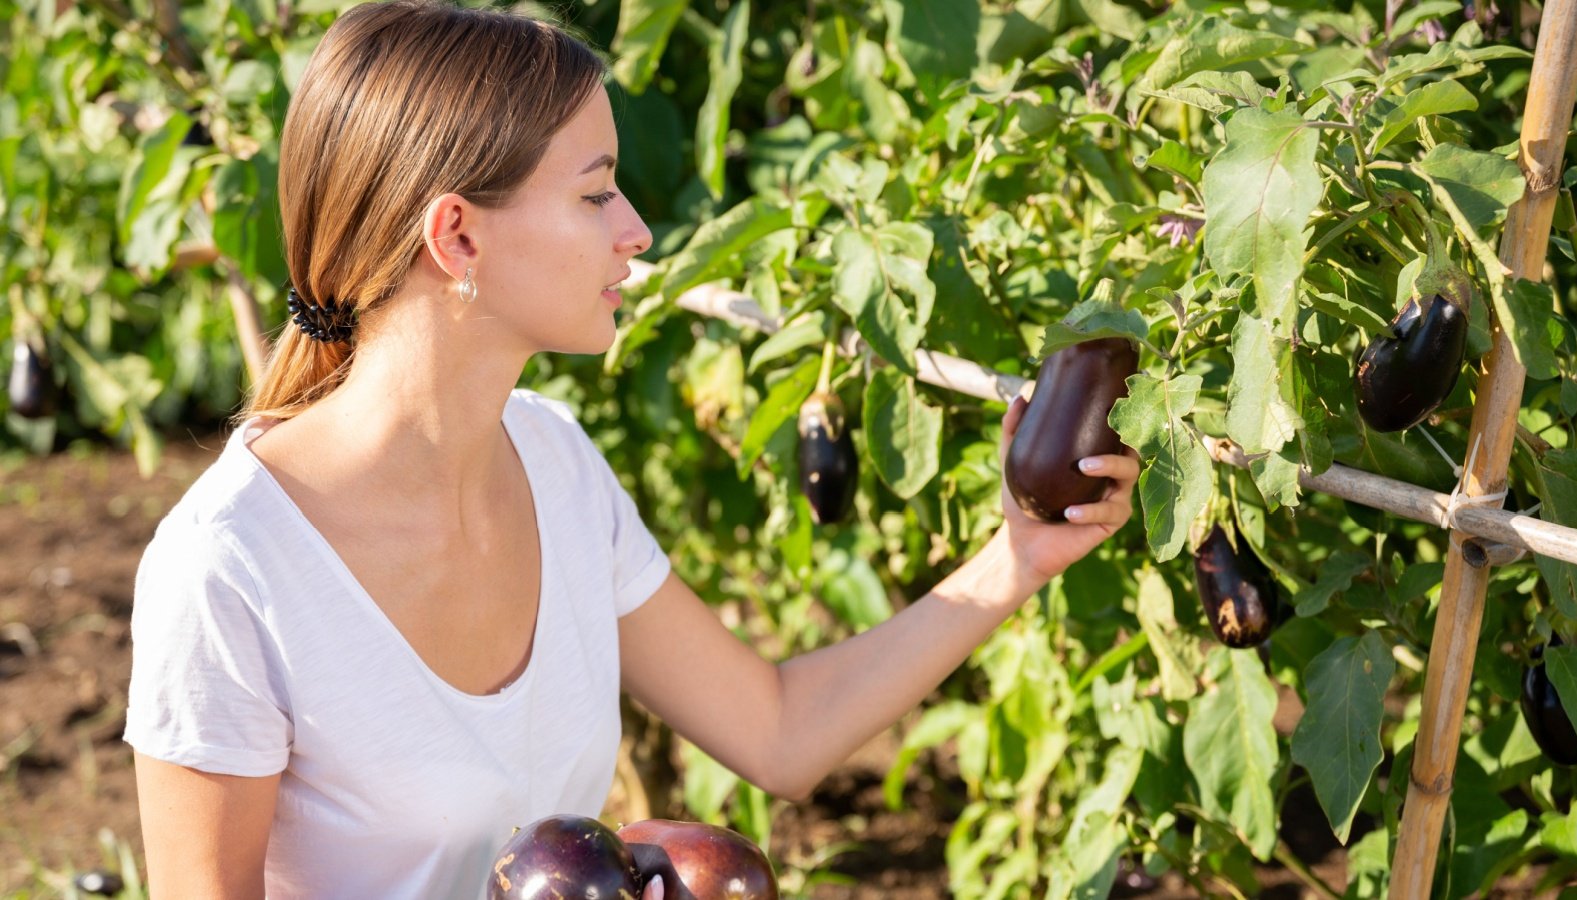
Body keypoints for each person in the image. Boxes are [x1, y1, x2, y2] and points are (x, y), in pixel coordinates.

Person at [122, 2, 1141, 898]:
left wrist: (1018, 557)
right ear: (459, 239)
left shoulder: (554, 463)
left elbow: (776, 730)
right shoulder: (230, 571)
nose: (638, 231)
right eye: (595, 193)